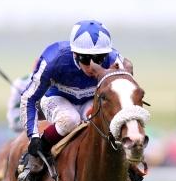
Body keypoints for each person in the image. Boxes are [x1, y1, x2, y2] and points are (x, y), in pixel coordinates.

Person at [20, 20, 130, 158]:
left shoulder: (115, 62)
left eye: (99, 58)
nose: (92, 66)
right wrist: (33, 136)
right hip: (57, 98)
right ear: (75, 54)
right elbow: (29, 98)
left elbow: (125, 99)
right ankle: (38, 153)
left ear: (107, 55)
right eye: (86, 59)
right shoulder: (53, 60)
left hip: (91, 100)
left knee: (101, 122)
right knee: (70, 120)